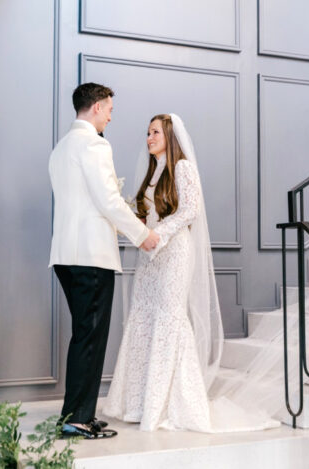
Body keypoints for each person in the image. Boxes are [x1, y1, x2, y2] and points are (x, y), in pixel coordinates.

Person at [102, 114, 277, 433]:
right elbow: (146, 215)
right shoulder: (153, 172)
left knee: (169, 318)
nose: (149, 138)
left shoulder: (182, 168)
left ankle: (166, 404)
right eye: (147, 132)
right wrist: (139, 230)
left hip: (174, 252)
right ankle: (138, 403)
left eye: (155, 132)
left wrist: (160, 235)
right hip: (151, 255)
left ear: (169, 135)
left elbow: (190, 210)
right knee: (143, 318)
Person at [49, 83, 160, 439]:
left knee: (84, 334)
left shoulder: (61, 148)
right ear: (96, 107)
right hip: (92, 256)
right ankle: (77, 418)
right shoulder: (95, 144)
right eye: (109, 108)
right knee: (91, 336)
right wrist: (143, 235)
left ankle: (77, 412)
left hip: (65, 254)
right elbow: (108, 201)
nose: (111, 115)